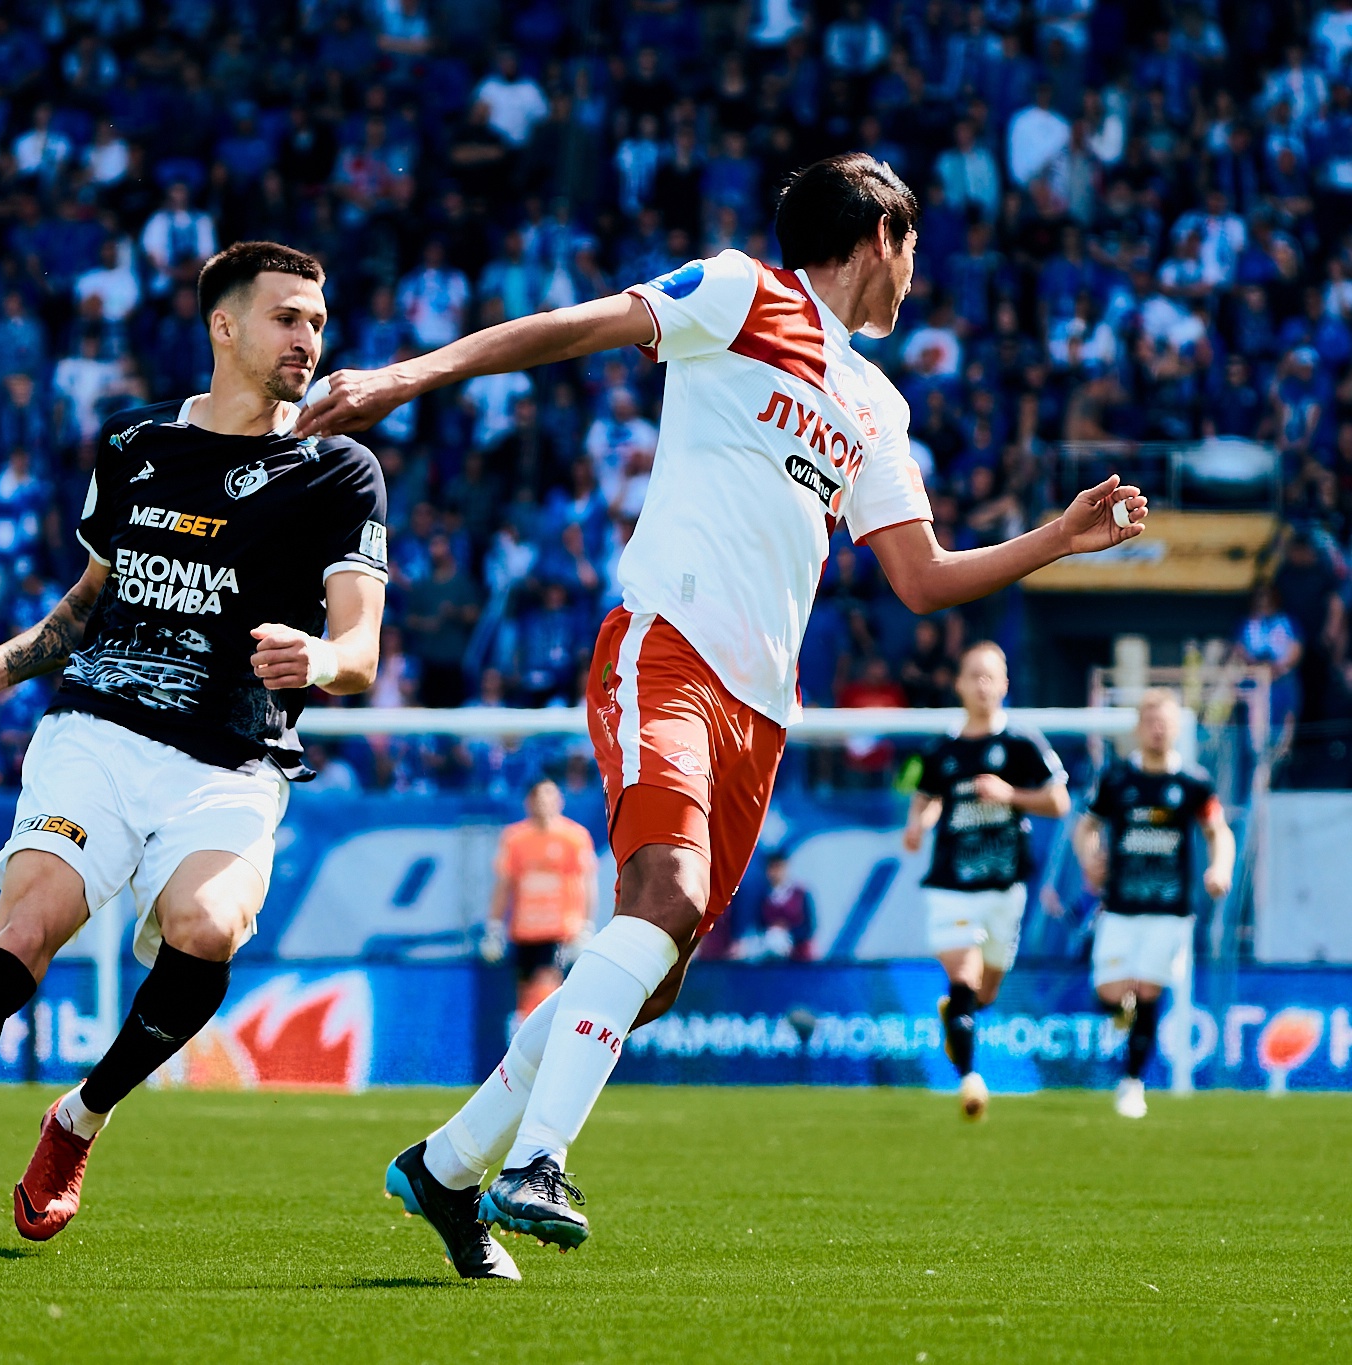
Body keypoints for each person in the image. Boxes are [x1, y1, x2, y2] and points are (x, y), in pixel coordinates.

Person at [300, 153, 1148, 1269]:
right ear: (879, 237)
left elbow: (922, 578)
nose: (915, 276)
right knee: (666, 896)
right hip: (666, 648)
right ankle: (535, 1162)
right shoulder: (742, 290)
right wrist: (410, 376)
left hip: (762, 711)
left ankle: (445, 1166)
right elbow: (574, 326)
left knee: (649, 975)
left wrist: (1057, 540)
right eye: (912, 250)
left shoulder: (876, 404)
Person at [0, 241, 389, 1258]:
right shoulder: (133, 444)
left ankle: (80, 1117)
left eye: (316, 320)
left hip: (230, 758)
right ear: (224, 325)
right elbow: (89, 603)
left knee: (208, 928)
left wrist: (319, 656)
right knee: (25, 925)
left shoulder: (339, 469)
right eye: (287, 317)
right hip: (95, 733)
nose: (308, 338)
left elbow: (360, 650)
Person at [900, 641, 1068, 1121]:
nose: (981, 685)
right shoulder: (942, 749)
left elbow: (1059, 802)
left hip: (1004, 888)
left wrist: (1010, 794)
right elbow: (927, 796)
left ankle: (957, 1014)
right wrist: (918, 824)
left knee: (985, 991)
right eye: (972, 675)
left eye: (989, 676)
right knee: (964, 976)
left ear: (1004, 684)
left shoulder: (1022, 743)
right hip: (951, 885)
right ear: (958, 684)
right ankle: (971, 1080)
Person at [1072, 688, 1235, 1120]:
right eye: (1150, 722)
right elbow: (1086, 827)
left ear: (1177, 728)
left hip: (1170, 910)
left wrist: (1220, 868)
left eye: (1165, 722)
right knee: (1110, 993)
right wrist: (1090, 859)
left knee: (1147, 991)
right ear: (1139, 728)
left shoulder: (1193, 782)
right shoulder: (1117, 779)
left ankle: (1132, 1084)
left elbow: (1218, 831)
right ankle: (1120, 1014)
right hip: (1119, 908)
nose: (1158, 729)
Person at [483, 778, 598, 1019]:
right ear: (528, 802)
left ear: (559, 801)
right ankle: (529, 1037)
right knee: (525, 995)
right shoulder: (515, 839)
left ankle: (546, 1036)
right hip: (524, 931)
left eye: (549, 796)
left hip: (559, 930)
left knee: (546, 989)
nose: (543, 803)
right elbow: (504, 884)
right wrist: (494, 927)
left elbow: (586, 883)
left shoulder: (574, 837)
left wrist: (585, 926)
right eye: (537, 797)